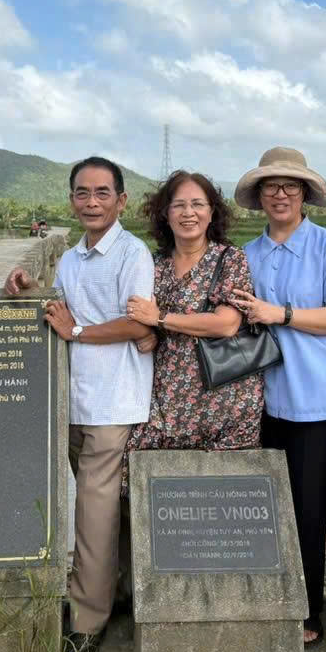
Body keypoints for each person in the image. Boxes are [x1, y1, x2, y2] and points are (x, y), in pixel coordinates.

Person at [3, 157, 154, 652]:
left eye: (102, 193)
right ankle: (125, 590)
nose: (91, 202)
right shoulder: (70, 258)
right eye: (82, 193)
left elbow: (137, 326)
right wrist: (27, 291)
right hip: (74, 400)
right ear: (71, 199)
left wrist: (81, 332)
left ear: (121, 200)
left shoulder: (133, 254)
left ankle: (88, 622)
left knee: (92, 511)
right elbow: (63, 309)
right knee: (108, 510)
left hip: (114, 402)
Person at [228, 147, 326, 650]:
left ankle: (308, 611)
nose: (280, 194)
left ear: (304, 194)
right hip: (258, 400)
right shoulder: (246, 254)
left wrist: (280, 313)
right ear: (259, 196)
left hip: (317, 401)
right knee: (264, 508)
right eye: (271, 186)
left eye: (290, 186)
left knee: (308, 511)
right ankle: (268, 601)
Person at [121, 171, 263, 486]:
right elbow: (132, 313)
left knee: (226, 501)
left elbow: (226, 324)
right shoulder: (153, 264)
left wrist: (159, 319)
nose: (189, 213)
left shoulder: (229, 259)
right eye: (179, 205)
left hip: (226, 402)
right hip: (166, 400)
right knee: (141, 487)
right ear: (165, 213)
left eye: (198, 204)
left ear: (212, 212)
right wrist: (147, 332)